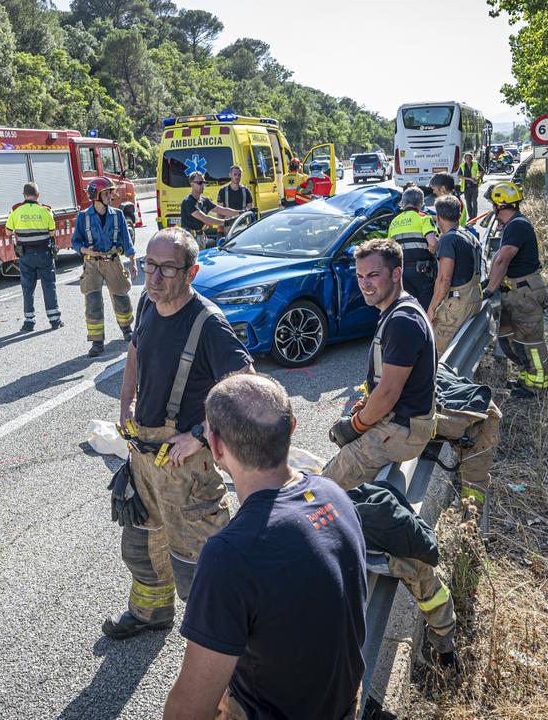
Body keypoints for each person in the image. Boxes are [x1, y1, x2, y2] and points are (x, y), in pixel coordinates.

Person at [164, 373, 367, 720]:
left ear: (216, 447)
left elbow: (191, 707)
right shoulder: (334, 494)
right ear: (292, 428)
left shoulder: (231, 554)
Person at [107, 227, 254, 640]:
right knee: (141, 547)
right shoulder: (147, 303)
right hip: (143, 459)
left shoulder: (208, 325)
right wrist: (127, 401)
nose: (153, 279)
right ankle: (151, 613)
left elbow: (247, 386)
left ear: (192, 272)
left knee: (199, 564)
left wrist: (201, 436)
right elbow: (135, 349)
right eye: (148, 266)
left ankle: (224, 650)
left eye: (166, 269)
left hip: (185, 466)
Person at [321, 238, 458, 670]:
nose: (365, 284)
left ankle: (354, 560)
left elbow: (391, 392)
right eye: (360, 276)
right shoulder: (401, 311)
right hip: (401, 423)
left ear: (396, 273)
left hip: (397, 430)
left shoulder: (400, 321)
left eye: (373, 275)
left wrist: (355, 426)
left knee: (321, 494)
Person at [484, 182, 548, 399]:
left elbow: (503, 258)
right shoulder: (513, 225)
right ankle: (526, 379)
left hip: (524, 290)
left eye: (494, 203)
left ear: (500, 205)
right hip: (517, 290)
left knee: (531, 341)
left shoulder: (517, 226)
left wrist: (490, 288)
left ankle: (537, 387)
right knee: (516, 340)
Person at [72, 177, 138, 357]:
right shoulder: (83, 217)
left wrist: (132, 261)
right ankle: (97, 342)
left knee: (121, 297)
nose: (112, 195)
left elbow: (127, 240)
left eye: (111, 192)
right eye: (107, 192)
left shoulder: (117, 215)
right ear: (96, 195)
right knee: (92, 301)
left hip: (113, 261)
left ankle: (127, 329)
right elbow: (75, 241)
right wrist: (85, 249)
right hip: (92, 264)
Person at [427, 195, 482, 352]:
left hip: (458, 304)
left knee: (437, 348)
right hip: (474, 298)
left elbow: (444, 279)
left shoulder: (448, 240)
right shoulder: (468, 235)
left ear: (438, 217)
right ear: (459, 214)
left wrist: (432, 308)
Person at [5, 182, 62, 332]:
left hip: (26, 255)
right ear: (38, 196)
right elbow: (52, 232)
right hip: (44, 254)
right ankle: (54, 319)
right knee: (49, 286)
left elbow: (8, 232)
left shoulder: (15, 211)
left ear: (24, 195)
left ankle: (29, 321)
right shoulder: (46, 211)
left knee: (27, 288)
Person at [388, 186, 439, 309]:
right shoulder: (423, 218)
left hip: (401, 274)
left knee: (409, 308)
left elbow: (389, 250)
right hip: (421, 272)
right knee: (427, 309)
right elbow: (433, 244)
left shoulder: (394, 222)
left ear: (403, 203)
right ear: (421, 203)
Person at [180, 174, 240, 244]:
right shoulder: (188, 201)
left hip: (200, 236)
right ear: (192, 184)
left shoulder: (204, 200)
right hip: (188, 238)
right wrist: (226, 222)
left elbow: (222, 210)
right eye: (199, 183)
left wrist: (241, 212)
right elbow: (205, 218)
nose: (203, 185)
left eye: (204, 182)